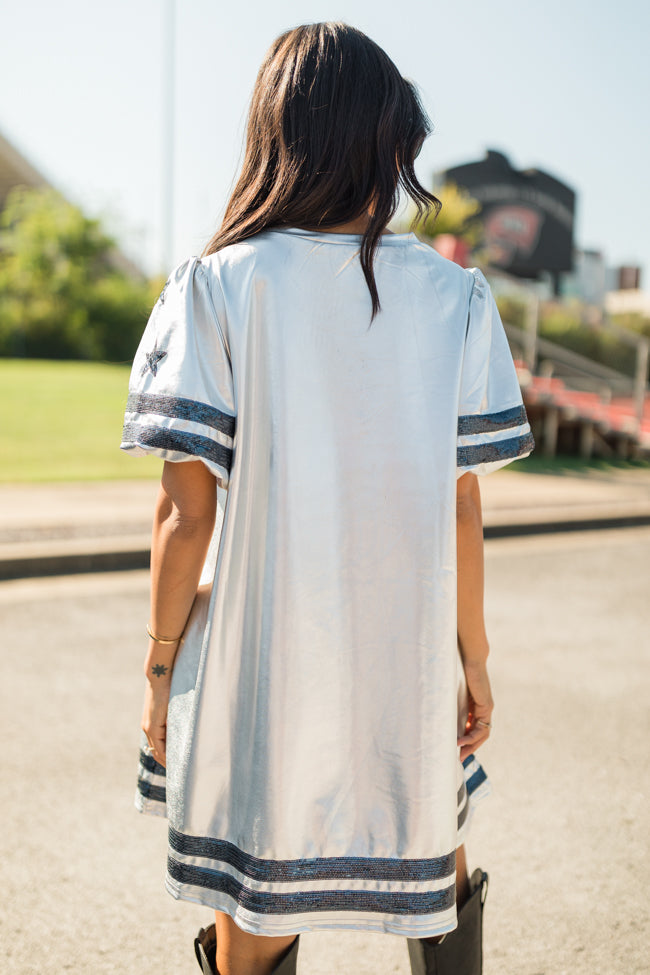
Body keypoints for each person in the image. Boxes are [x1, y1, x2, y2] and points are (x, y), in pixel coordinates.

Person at [121, 21, 534, 975]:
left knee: (258, 888)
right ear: (387, 143)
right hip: (408, 653)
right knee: (431, 858)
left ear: (277, 134)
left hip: (257, 666)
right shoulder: (455, 297)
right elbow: (460, 508)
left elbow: (186, 513)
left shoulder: (216, 289)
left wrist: (157, 672)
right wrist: (474, 658)